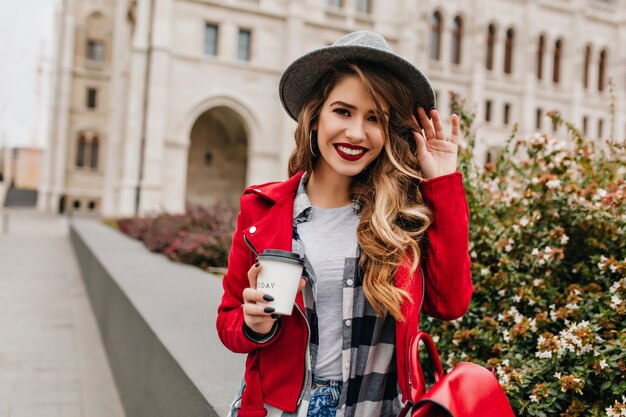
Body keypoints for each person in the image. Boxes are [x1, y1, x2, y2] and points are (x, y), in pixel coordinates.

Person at [216, 31, 472, 417]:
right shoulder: (262, 208)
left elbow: (450, 304)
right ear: (315, 116)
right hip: (282, 408)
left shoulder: (401, 215)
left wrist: (441, 182)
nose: (356, 133)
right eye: (343, 111)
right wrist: (255, 324)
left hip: (378, 408)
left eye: (375, 119)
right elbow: (229, 324)